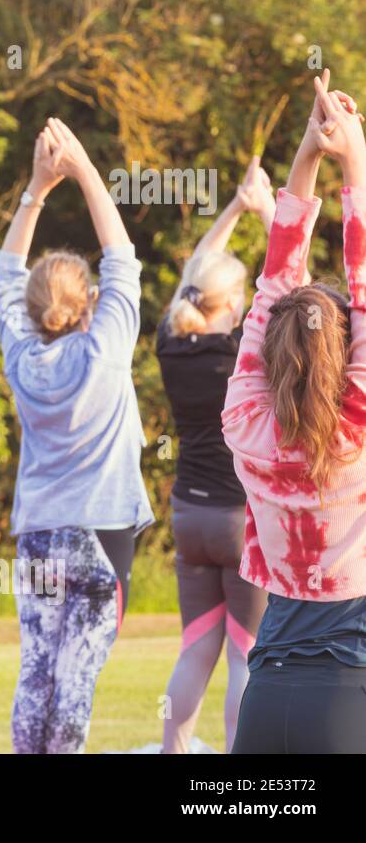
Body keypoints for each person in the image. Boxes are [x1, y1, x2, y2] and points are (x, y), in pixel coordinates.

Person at [0, 118, 154, 754]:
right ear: (87, 302)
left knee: (36, 669)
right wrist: (86, 172)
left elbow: (7, 274)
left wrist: (37, 188)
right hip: (103, 529)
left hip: (38, 530)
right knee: (77, 675)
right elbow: (122, 259)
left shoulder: (20, 357)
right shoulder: (106, 350)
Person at [225, 71, 366, 753]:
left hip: (265, 701)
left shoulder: (244, 425)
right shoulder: (356, 432)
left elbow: (275, 283)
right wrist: (354, 157)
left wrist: (311, 154)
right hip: (347, 701)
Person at [156, 157, 273, 754]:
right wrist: (270, 210)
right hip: (238, 521)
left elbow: (190, 282)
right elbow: (291, 286)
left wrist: (233, 207)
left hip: (188, 517)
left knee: (195, 644)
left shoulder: (172, 342)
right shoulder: (242, 348)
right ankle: (235, 772)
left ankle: (175, 750)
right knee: (244, 652)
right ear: (233, 305)